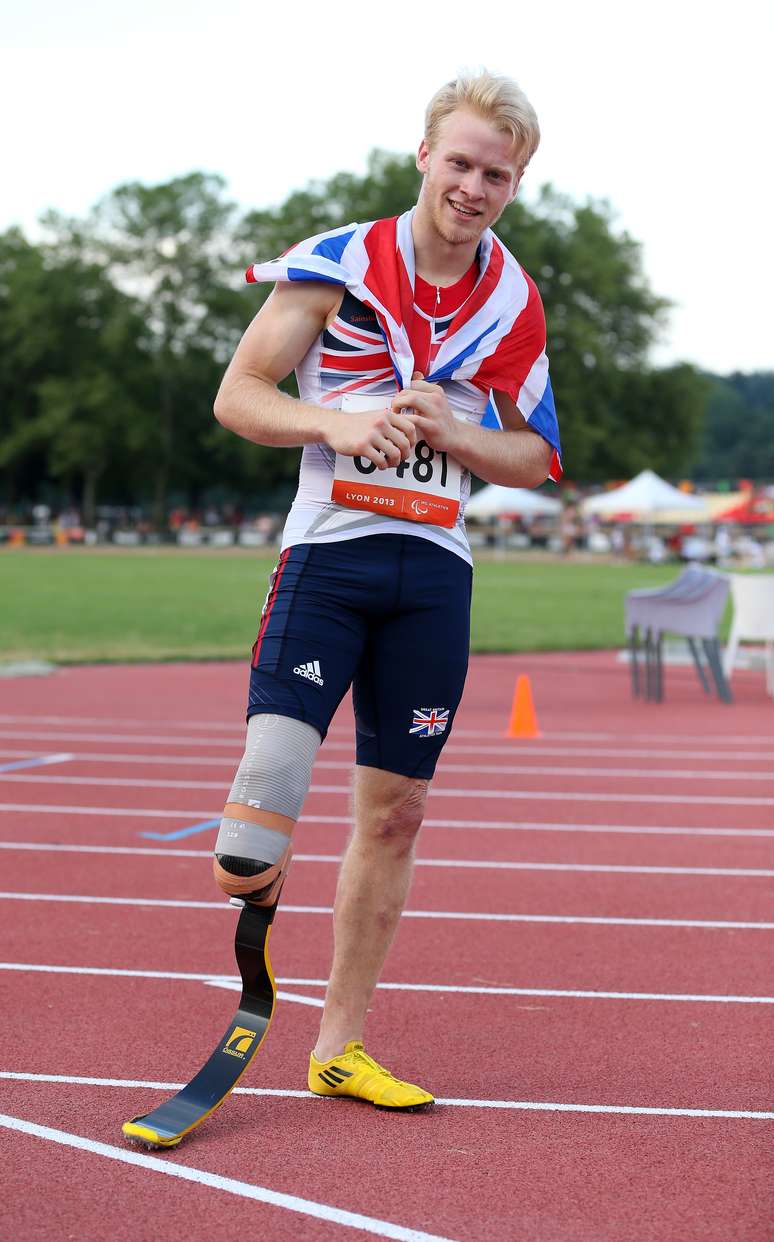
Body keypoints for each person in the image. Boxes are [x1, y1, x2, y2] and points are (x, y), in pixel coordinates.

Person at [212, 70, 562, 1111]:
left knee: (398, 814)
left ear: (516, 183)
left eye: (496, 174)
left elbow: (536, 457)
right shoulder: (337, 266)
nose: (474, 187)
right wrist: (341, 423)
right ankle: (256, 895)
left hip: (434, 578)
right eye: (459, 163)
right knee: (250, 828)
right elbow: (239, 395)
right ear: (424, 155)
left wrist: (458, 433)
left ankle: (340, 1045)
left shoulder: (511, 300)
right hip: (329, 558)